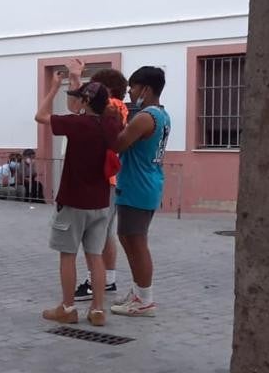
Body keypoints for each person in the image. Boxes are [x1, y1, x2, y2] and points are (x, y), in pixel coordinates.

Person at [34, 60, 122, 327]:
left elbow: (40, 116)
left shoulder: (77, 124)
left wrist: (52, 89)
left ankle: (68, 306)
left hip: (73, 200)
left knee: (68, 255)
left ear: (85, 101)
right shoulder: (111, 125)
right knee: (95, 256)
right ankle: (97, 310)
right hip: (100, 201)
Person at [110, 66, 171, 318]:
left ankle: (144, 299)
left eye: (132, 88)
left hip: (138, 185)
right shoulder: (162, 115)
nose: (130, 93)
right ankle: (138, 292)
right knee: (129, 238)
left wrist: (112, 119)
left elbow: (118, 143)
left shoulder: (145, 117)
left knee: (136, 242)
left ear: (145, 88)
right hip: (145, 183)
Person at [74, 68, 131, 303]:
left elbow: (75, 109)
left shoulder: (114, 106)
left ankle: (93, 280)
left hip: (105, 179)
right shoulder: (118, 107)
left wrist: (76, 79)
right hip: (111, 179)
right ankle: (107, 279)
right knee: (106, 233)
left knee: (95, 233)